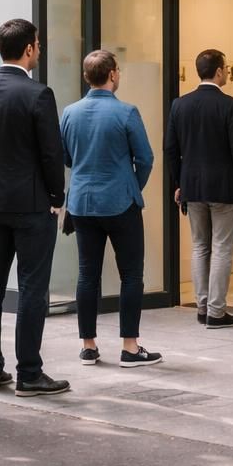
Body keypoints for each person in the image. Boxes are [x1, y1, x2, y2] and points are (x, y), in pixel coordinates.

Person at [0, 19, 70, 397]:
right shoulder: (39, 94)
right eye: (37, 45)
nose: (38, 50)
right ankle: (29, 373)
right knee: (32, 288)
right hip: (31, 205)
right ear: (28, 49)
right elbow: (51, 153)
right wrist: (57, 197)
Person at [60, 49, 161, 367]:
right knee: (131, 275)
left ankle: (88, 345)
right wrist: (132, 185)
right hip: (121, 203)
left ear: (86, 77)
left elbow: (66, 157)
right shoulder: (127, 112)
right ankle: (130, 347)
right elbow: (145, 158)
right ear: (113, 75)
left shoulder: (70, 112)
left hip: (82, 203)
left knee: (87, 274)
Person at [164, 48, 233, 328]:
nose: (227, 72)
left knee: (200, 246)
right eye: (226, 68)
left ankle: (202, 307)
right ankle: (217, 312)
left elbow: (170, 149)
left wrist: (178, 183)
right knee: (222, 248)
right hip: (224, 187)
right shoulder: (230, 105)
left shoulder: (180, 105)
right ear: (217, 71)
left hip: (192, 187)